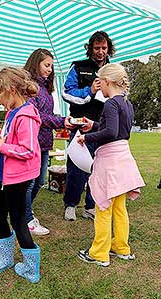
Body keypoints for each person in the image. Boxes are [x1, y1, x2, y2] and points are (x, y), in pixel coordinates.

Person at [77, 63, 145, 266]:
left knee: (103, 208)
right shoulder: (127, 103)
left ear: (106, 82)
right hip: (124, 158)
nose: (100, 88)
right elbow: (119, 131)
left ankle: (99, 253)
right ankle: (121, 248)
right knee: (119, 208)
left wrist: (86, 138)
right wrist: (94, 125)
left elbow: (111, 133)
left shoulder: (110, 104)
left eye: (100, 83)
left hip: (110, 161)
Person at [0, 67, 41, 283]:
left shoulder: (26, 115)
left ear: (10, 89)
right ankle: (6, 259)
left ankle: (31, 268)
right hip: (5, 176)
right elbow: (11, 137)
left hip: (18, 178)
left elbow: (28, 150)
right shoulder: (12, 113)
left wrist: (3, 146)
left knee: (18, 221)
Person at [62, 31, 116, 221]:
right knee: (76, 167)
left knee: (100, 167)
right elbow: (67, 93)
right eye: (96, 48)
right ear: (90, 48)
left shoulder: (114, 69)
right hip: (79, 126)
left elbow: (121, 95)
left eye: (104, 48)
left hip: (103, 127)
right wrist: (90, 90)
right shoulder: (78, 67)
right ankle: (70, 205)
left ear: (108, 48)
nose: (100, 52)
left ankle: (91, 206)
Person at [24, 48, 73, 235]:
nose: (50, 70)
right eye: (46, 65)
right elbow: (36, 116)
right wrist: (61, 121)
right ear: (35, 64)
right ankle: (26, 218)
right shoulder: (28, 87)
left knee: (39, 182)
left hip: (44, 141)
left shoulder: (45, 87)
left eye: (51, 66)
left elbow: (47, 115)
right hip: (31, 142)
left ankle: (23, 211)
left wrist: (61, 121)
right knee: (30, 183)